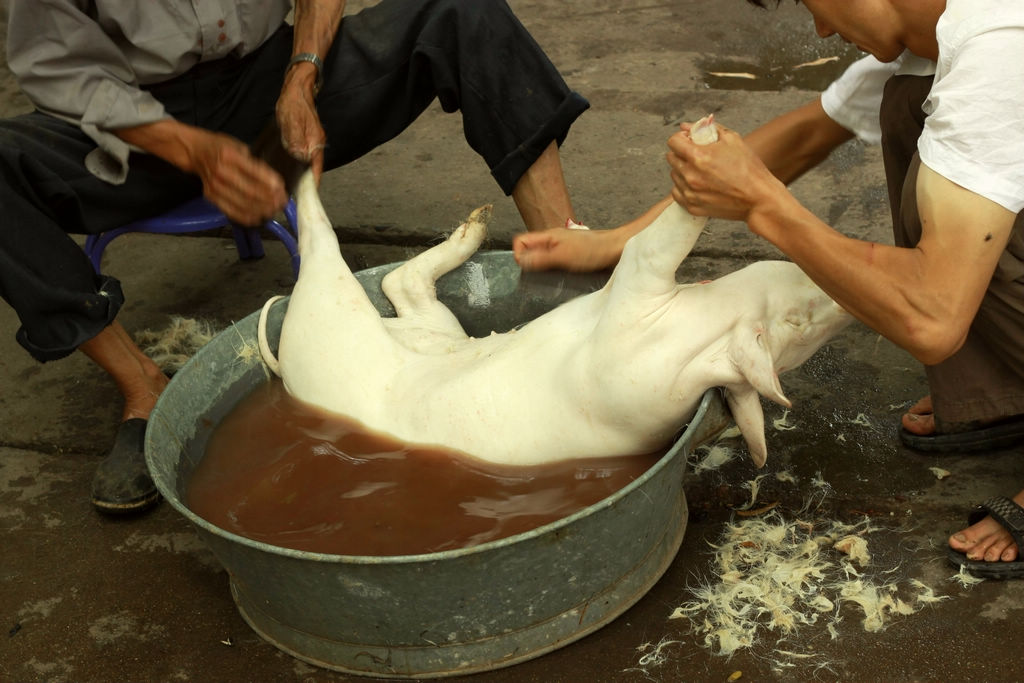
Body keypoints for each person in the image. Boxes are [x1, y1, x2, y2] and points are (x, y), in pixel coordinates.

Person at [0, 0, 590, 514]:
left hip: (269, 80)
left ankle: (572, 276)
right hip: (127, 125)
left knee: (464, 11)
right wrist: (187, 147)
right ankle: (143, 388)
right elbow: (59, 64)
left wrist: (302, 76)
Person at [665, 0, 1024, 578]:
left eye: (816, 3)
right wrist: (614, 244)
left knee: (942, 259)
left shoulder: (1004, 45)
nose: (822, 29)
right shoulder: (941, 33)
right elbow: (807, 134)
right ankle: (1005, 384)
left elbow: (932, 318)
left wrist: (765, 205)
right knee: (912, 109)